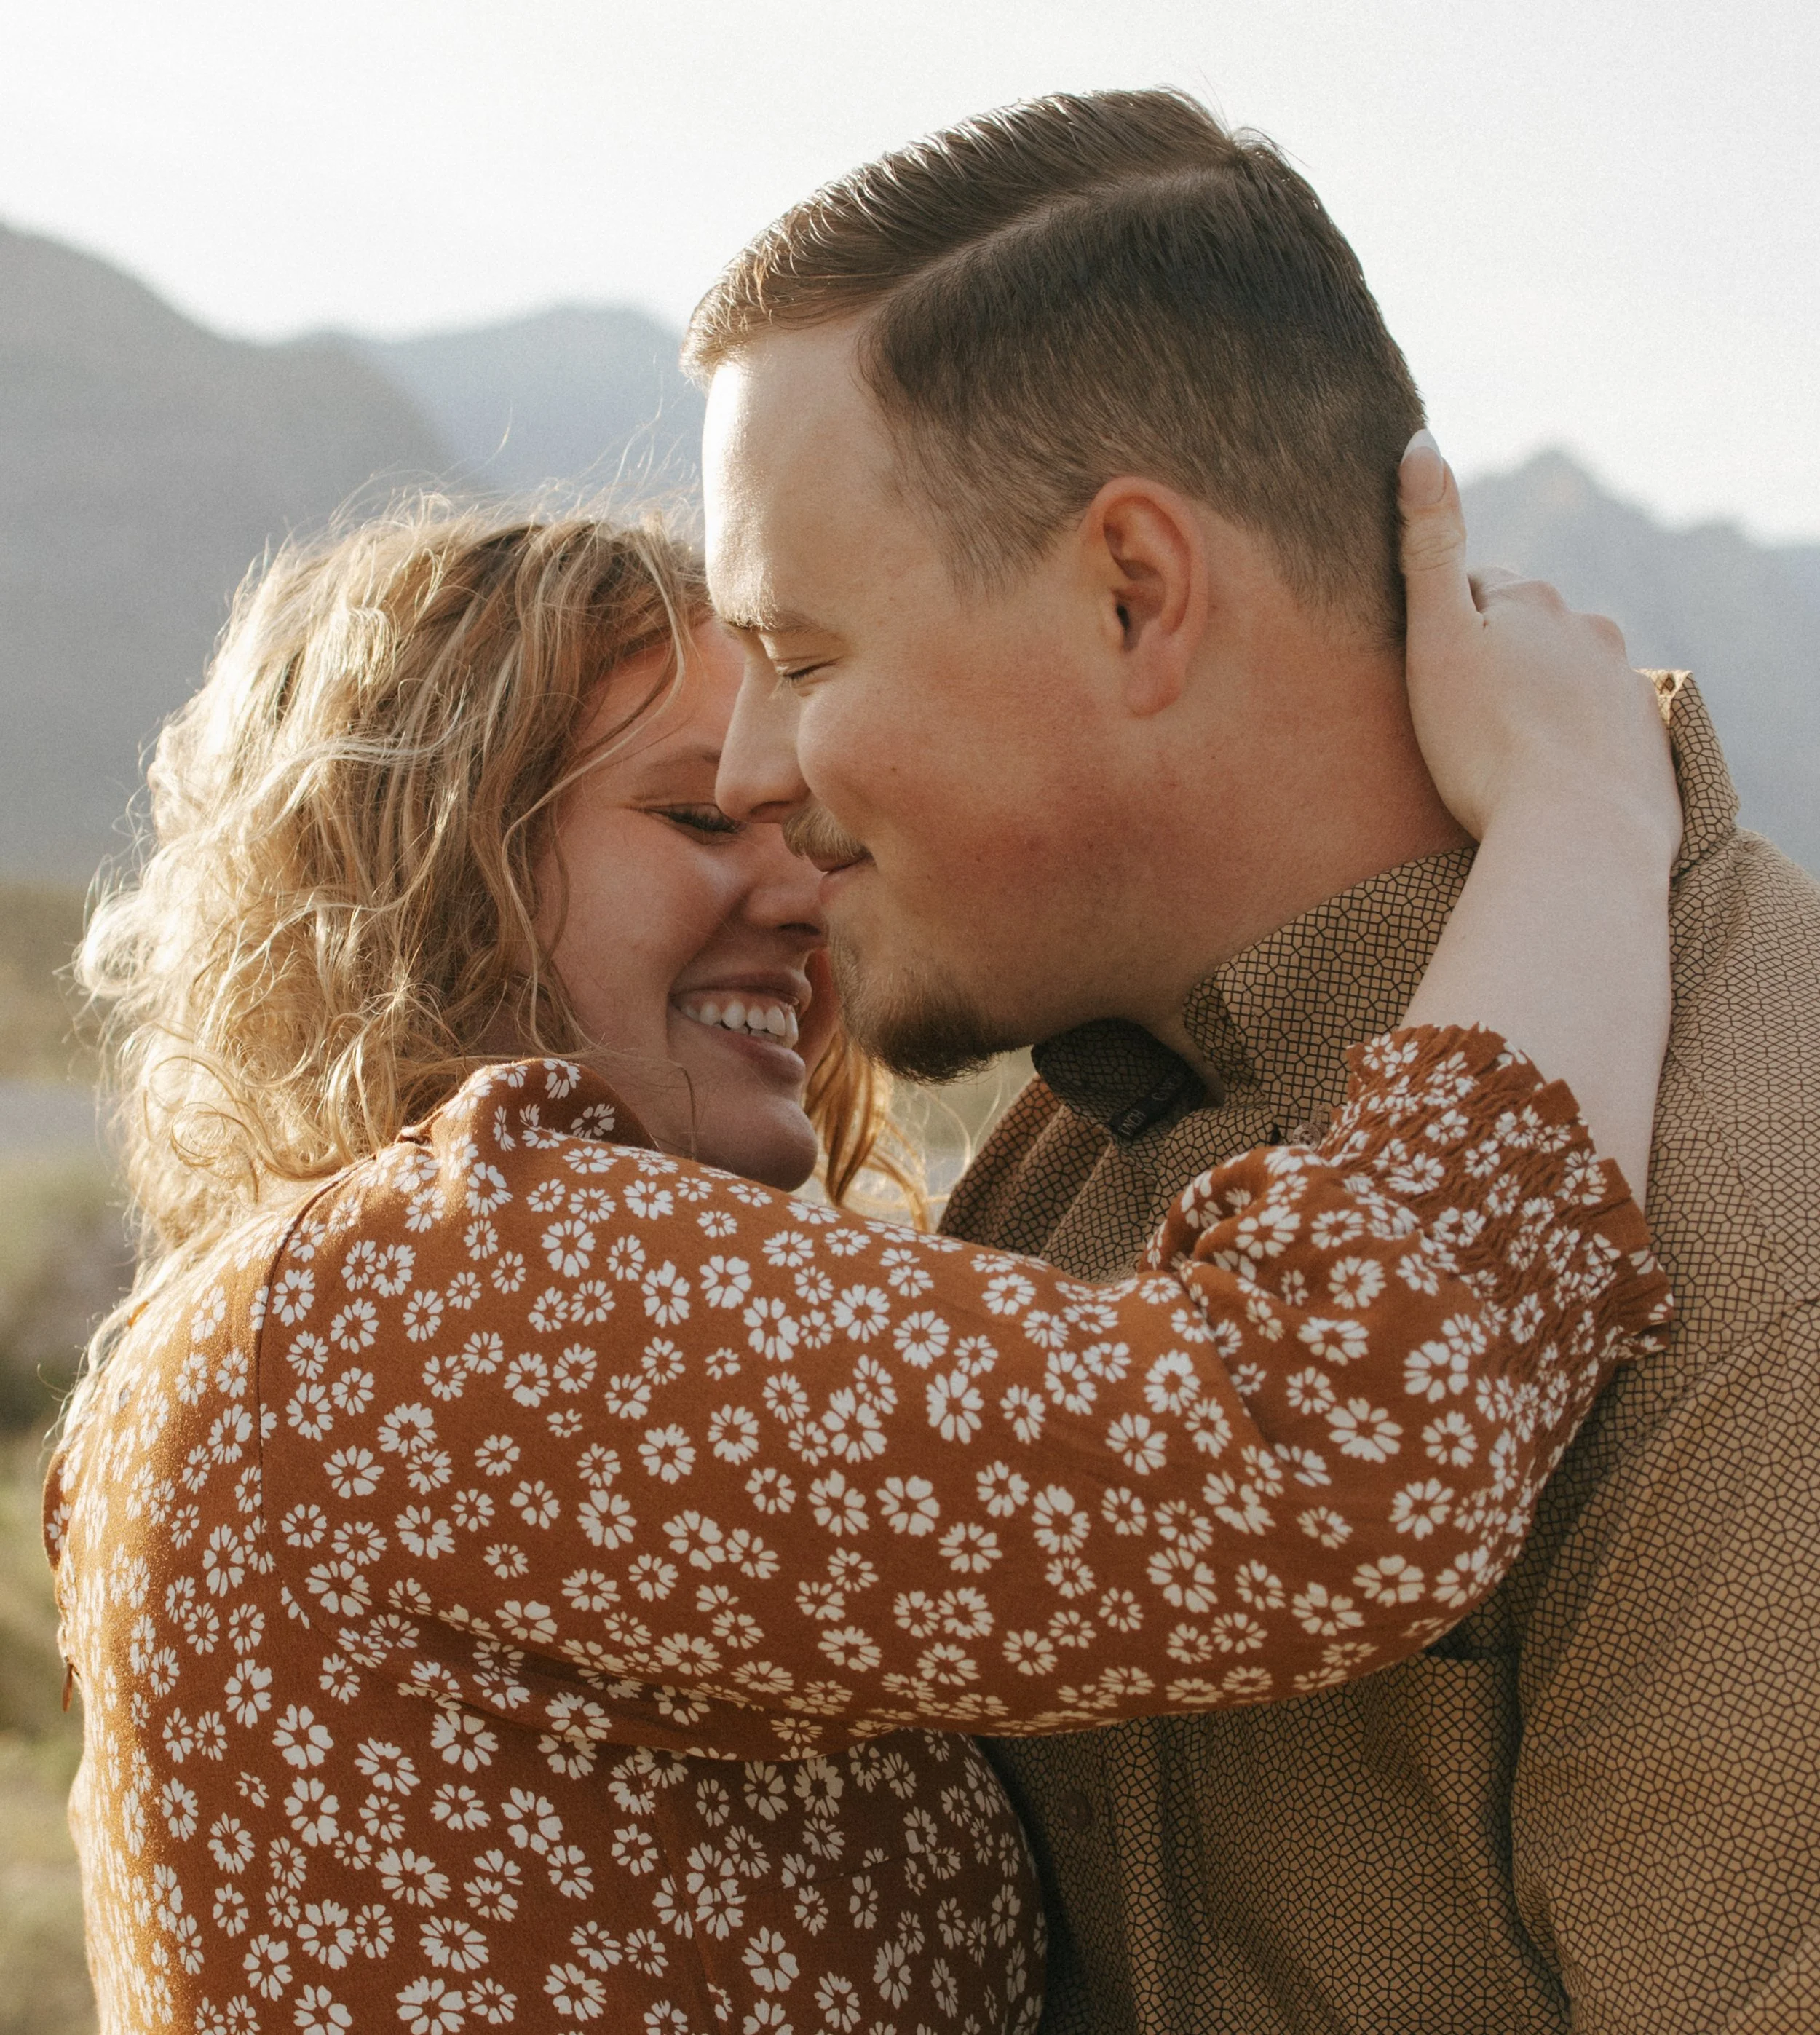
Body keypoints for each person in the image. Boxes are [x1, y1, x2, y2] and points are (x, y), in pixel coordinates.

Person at [44, 484, 1673, 2035]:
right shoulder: (443, 1287)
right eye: (696, 815)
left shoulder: (287, 1320)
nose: (800, 896)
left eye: (807, 829)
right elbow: (1316, 1438)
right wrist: (1580, 811)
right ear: (422, 863)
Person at [696, 85, 1820, 2035]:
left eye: (797, 658)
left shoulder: (1762, 1238)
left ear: (1134, 590)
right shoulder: (1055, 1166)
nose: (743, 777)